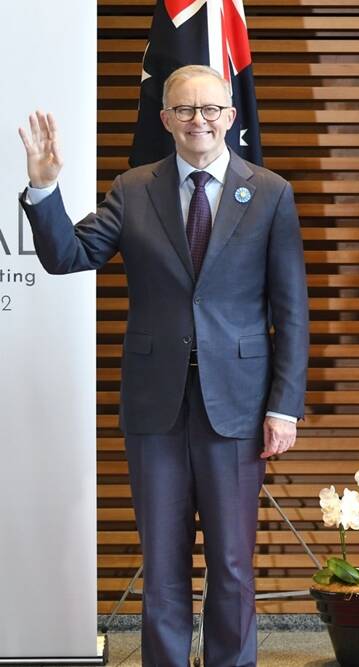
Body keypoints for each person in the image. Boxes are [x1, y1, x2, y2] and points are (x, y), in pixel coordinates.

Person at [18, 65, 309, 666]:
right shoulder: (133, 189)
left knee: (231, 565)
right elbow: (69, 256)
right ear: (165, 119)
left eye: (209, 110)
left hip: (239, 406)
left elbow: (292, 310)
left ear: (230, 118)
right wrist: (45, 191)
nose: (197, 120)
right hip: (156, 407)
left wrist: (284, 404)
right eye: (184, 110)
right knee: (164, 564)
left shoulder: (272, 193)